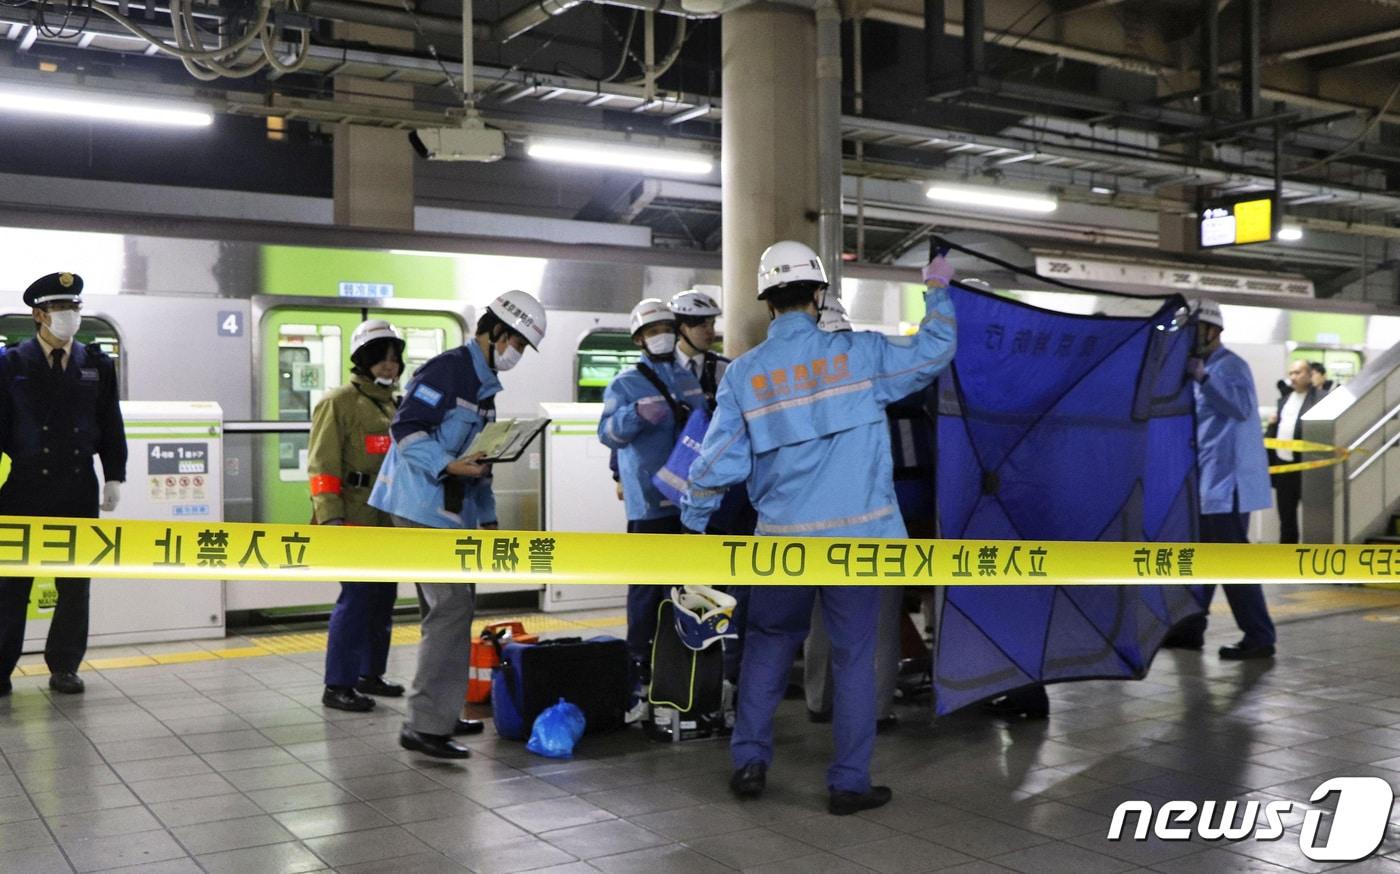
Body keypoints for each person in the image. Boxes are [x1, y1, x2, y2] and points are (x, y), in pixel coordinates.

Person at [682, 241, 956, 816]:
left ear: (766, 302)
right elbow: (936, 350)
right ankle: (849, 783)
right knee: (855, 657)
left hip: (782, 544)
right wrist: (937, 292)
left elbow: (718, 464)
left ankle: (750, 761)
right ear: (819, 294)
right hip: (862, 543)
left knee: (768, 645)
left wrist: (697, 522)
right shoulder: (860, 356)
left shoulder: (745, 375)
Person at [369, 290, 547, 757]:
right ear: (496, 333)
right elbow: (406, 429)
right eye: (518, 344)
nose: (518, 355)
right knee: (450, 609)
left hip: (450, 513)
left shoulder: (485, 390)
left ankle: (439, 714)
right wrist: (449, 465)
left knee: (447, 610)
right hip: (417, 505)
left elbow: (478, 462)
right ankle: (424, 726)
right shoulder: (448, 369)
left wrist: (488, 522)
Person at [0, 272, 126, 697]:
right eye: (60, 309)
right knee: (12, 583)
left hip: (77, 487)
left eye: (74, 307)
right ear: (38, 315)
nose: (70, 316)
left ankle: (65, 666)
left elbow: (110, 423)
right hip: (23, 488)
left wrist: (114, 475)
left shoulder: (96, 363)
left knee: (75, 583)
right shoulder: (10, 363)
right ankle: (0, 667)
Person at [805, 290, 906, 732]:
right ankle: (875, 708)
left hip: (813, 524)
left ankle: (819, 700)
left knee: (820, 618)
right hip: (872, 521)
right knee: (878, 620)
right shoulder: (875, 379)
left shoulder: (800, 384)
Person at [598, 299, 706, 704]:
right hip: (648, 501)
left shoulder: (687, 377)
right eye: (652, 330)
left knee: (685, 584)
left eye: (666, 327)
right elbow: (607, 435)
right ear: (640, 339)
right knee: (646, 587)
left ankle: (683, 656)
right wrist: (636, 416)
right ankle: (638, 660)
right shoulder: (624, 384)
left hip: (690, 501)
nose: (660, 335)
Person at [1165, 299, 1276, 660]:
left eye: (1194, 331)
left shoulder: (1230, 366)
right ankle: (1191, 629)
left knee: (1230, 560)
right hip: (1209, 482)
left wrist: (1204, 378)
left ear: (1213, 331)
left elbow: (1240, 408)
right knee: (1205, 557)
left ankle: (1260, 635)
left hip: (1228, 486)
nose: (1189, 338)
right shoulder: (1200, 369)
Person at [311, 319, 409, 713]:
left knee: (383, 597)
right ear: (363, 360)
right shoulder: (338, 402)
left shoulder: (396, 405)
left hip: (388, 515)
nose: (389, 367)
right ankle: (338, 684)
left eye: (394, 360)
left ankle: (371, 674)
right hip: (352, 516)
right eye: (381, 360)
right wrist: (330, 517)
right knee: (356, 599)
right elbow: (321, 465)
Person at [1267, 359, 1320, 545]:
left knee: (1316, 517)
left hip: (1308, 467)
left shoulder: (1320, 399)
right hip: (1284, 467)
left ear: (1309, 375)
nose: (1293, 377)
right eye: (1291, 373)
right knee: (1286, 518)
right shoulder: (1284, 400)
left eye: (1298, 373)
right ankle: (1286, 560)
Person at [668, 289, 729, 405]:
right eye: (703, 326)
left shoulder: (725, 368)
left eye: (712, 325)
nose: (711, 332)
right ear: (682, 328)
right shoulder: (662, 368)